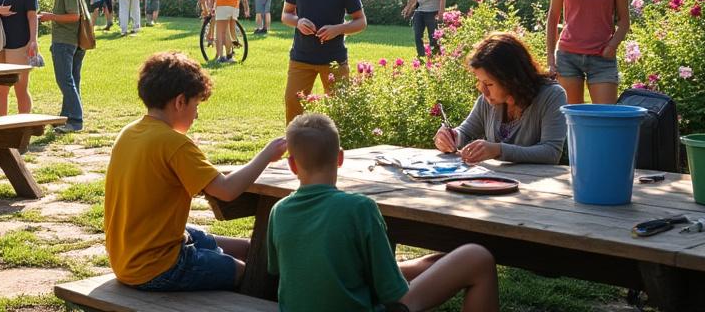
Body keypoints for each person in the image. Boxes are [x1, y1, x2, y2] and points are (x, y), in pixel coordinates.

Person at [273, 113, 499, 312]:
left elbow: (279, 270)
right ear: (340, 158)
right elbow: (391, 291)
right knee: (477, 257)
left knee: (437, 262)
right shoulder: (359, 208)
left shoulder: (279, 211)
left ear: (292, 165)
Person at [105, 52, 288, 291]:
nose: (197, 114)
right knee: (248, 272)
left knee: (249, 250)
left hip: (127, 256)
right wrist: (267, 155)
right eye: (196, 104)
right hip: (157, 268)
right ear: (180, 102)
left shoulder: (129, 132)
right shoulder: (175, 143)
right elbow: (226, 190)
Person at [434, 32, 567, 164]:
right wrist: (451, 137)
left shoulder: (552, 96)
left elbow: (551, 152)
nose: (482, 90)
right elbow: (465, 132)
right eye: (480, 81)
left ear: (511, 79)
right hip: (494, 183)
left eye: (489, 84)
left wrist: (498, 150)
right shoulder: (488, 100)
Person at [281, 0, 366, 123]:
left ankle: (339, 150)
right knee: (293, 105)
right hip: (301, 57)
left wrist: (338, 29)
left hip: (334, 60)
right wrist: (298, 22)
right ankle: (296, 150)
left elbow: (361, 21)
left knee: (341, 110)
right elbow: (286, 14)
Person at [37, 0, 88, 133]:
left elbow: (74, 16)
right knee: (71, 80)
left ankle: (75, 120)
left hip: (65, 41)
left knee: (65, 80)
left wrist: (51, 17)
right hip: (73, 42)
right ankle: (67, 116)